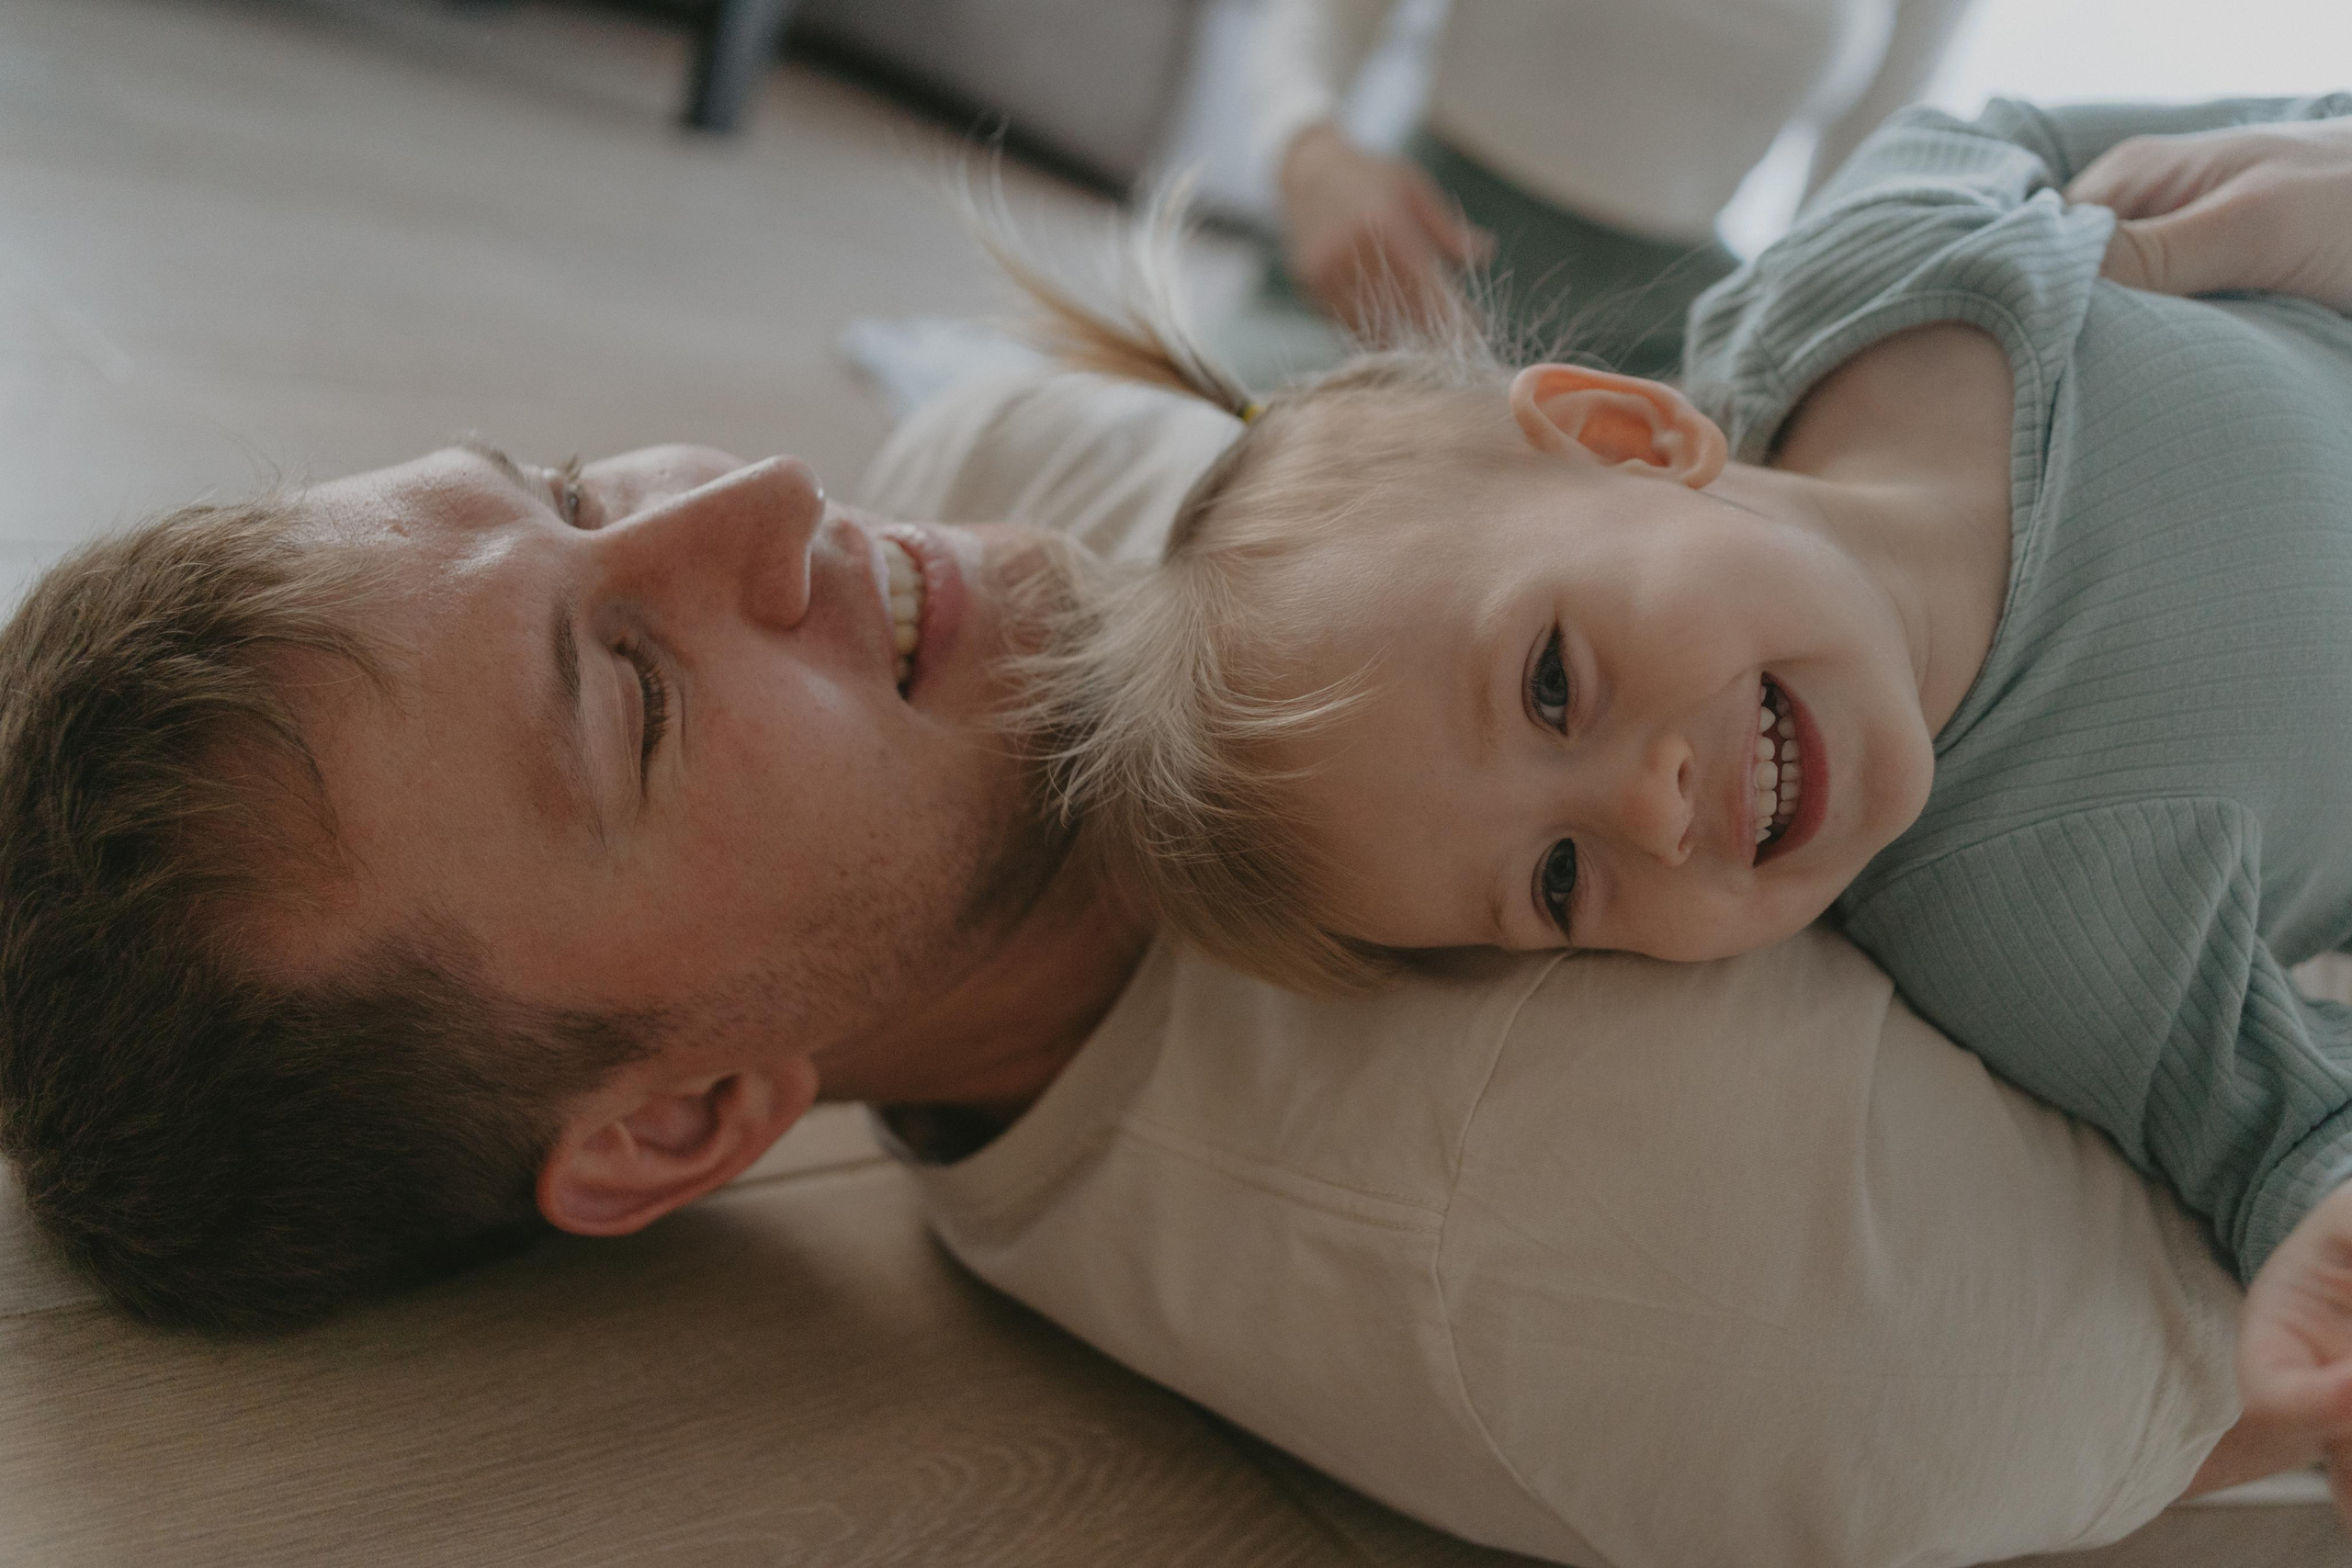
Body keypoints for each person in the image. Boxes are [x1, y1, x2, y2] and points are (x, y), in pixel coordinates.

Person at [0, 106, 2338, 1568]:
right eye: (626, 691)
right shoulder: (1602, 1262)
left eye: (579, 484)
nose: (767, 500)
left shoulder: (1036, 494)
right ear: (689, 1116)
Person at [1025, 92, 2352, 1319]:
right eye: (1556, 880)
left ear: (1628, 437)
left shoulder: (1882, 286)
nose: (1643, 810)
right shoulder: (2027, 924)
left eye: (1553, 684)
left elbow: (2084, 144)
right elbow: (2288, 1141)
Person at [1238, 0, 1977, 379]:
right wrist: (1312, 151)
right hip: (1407, 270)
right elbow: (1322, 15)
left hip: (1667, 346)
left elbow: (1857, 185)